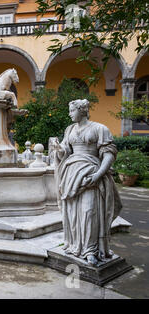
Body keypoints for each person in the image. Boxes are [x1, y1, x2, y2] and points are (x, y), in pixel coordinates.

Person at [53, 99, 122, 266]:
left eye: (72, 110)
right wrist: (58, 149)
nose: (69, 114)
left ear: (82, 110)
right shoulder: (69, 129)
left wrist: (98, 174)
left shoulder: (99, 128)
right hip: (71, 176)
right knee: (73, 213)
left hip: (91, 174)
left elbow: (109, 154)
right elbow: (66, 152)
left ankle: (91, 250)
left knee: (89, 212)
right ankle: (76, 245)